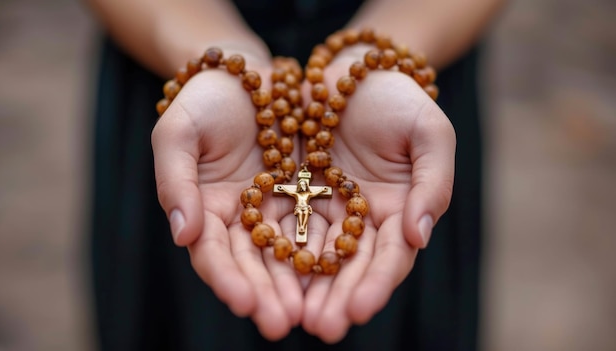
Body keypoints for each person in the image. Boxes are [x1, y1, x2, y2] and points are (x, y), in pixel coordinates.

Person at [87, 0, 504, 349]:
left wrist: (374, 57)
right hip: (186, 88)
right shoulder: (279, 179)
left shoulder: (342, 175)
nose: (302, 191)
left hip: (395, 119)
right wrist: (218, 52)